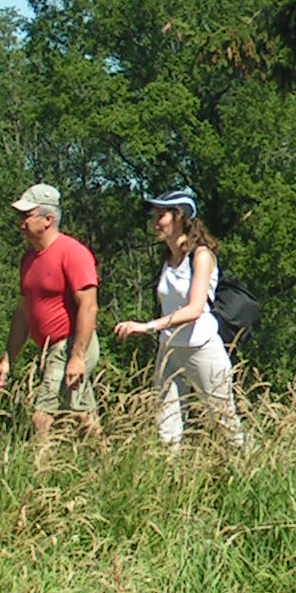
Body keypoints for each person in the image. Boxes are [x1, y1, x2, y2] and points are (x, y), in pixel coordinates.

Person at [114, 188, 244, 450]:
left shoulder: (202, 256)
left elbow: (195, 309)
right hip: (170, 349)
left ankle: (249, 473)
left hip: (201, 349)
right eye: (154, 216)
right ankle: (169, 481)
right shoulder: (169, 258)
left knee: (224, 423)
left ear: (180, 217)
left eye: (161, 216)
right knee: (166, 424)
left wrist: (147, 327)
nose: (155, 223)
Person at [0, 183, 102, 445]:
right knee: (83, 417)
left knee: (42, 416)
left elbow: (89, 306)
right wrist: (8, 360)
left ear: (48, 219)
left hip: (71, 344)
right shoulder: (29, 259)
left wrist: (77, 357)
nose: (20, 223)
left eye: (26, 216)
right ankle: (108, 464)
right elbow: (23, 313)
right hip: (49, 350)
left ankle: (39, 473)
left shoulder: (73, 253)